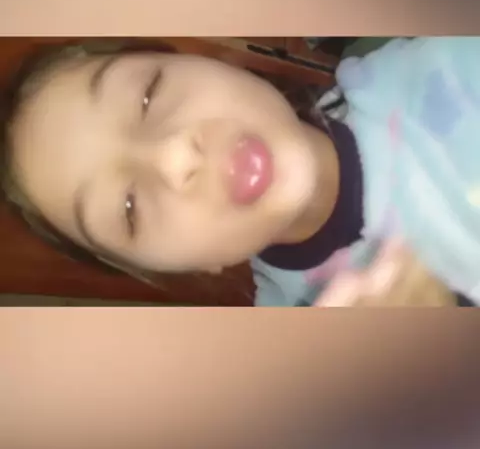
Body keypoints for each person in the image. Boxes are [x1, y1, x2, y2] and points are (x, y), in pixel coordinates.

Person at [1, 35, 479, 308]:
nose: (174, 157)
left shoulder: (442, 68)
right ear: (184, 268)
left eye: (147, 95)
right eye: (128, 208)